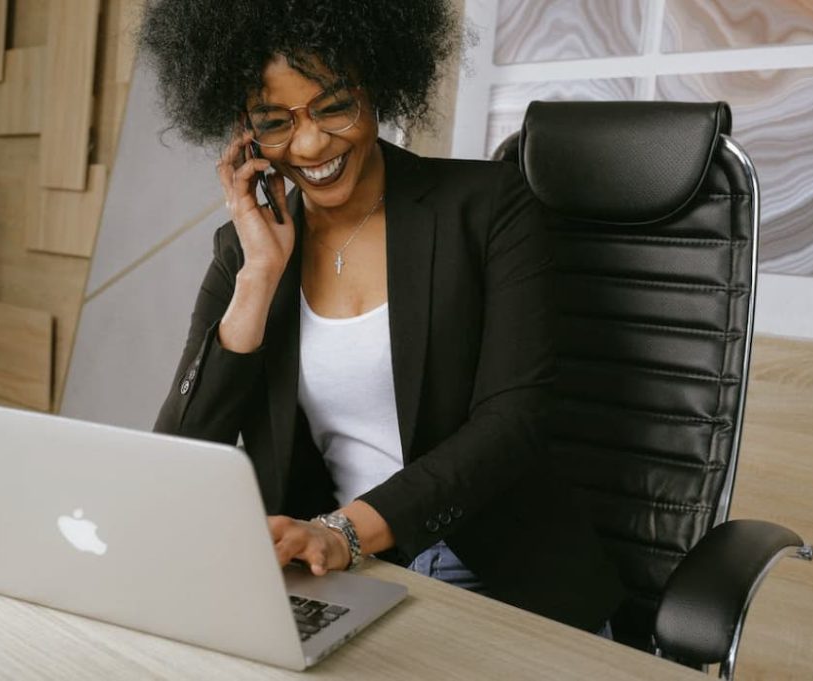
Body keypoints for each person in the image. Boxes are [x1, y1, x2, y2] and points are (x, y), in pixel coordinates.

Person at [140, 0, 624, 635]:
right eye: (275, 122)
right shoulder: (246, 248)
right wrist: (258, 276)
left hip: (493, 568)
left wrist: (346, 532)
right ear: (244, 129)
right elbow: (183, 451)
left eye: (334, 106)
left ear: (378, 85)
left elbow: (515, 420)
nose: (309, 144)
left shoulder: (486, 208)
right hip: (333, 576)